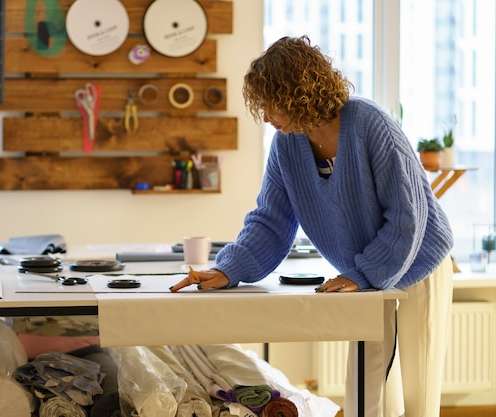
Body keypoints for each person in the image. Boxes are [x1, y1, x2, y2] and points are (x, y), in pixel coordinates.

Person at [170, 35, 454, 417]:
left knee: (418, 391)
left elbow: (408, 217)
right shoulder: (287, 145)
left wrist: (365, 273)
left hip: (419, 261)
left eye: (270, 104)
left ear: (297, 93)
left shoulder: (370, 125)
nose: (266, 117)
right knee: (367, 388)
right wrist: (226, 269)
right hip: (363, 272)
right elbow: (271, 220)